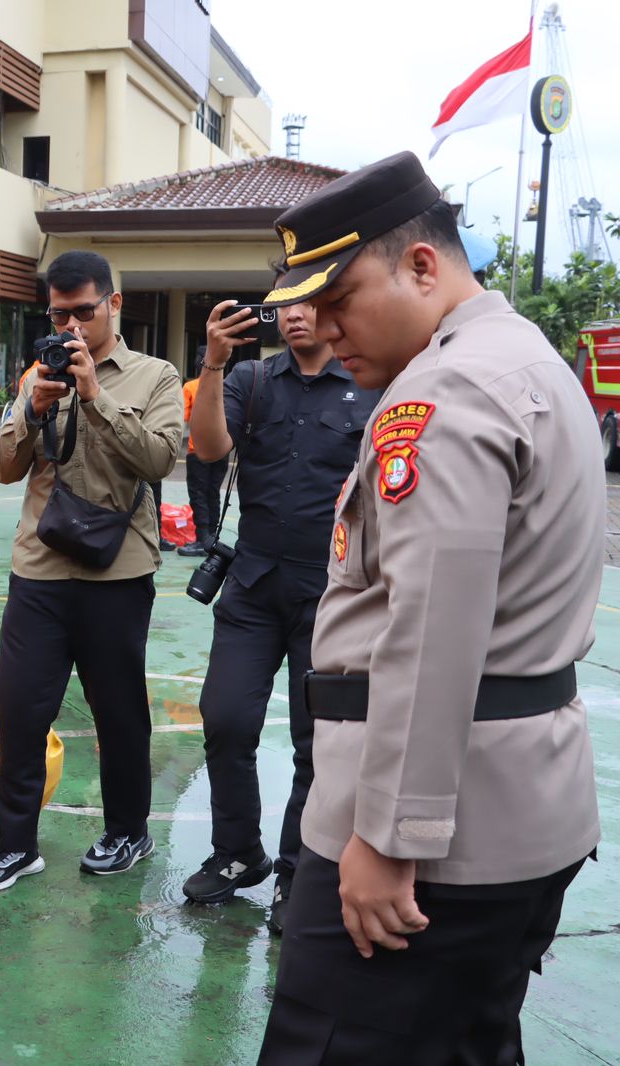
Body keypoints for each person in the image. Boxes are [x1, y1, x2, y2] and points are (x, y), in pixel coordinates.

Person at [254, 152, 603, 1064]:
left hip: (432, 839)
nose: (326, 334)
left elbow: (432, 625)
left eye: (343, 300)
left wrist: (388, 835)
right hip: (516, 803)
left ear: (421, 266)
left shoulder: (445, 390)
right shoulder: (520, 356)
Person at [0, 250, 180, 893]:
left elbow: (160, 460)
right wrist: (34, 407)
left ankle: (127, 830)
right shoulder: (41, 371)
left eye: (82, 312)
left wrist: (95, 398)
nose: (69, 327)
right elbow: (4, 468)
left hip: (116, 571)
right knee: (18, 705)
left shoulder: (155, 376)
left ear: (113, 305)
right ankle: (17, 844)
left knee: (118, 711)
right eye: (58, 314)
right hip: (39, 565)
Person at [180, 276, 379, 932]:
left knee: (314, 743)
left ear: (331, 310)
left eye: (309, 303)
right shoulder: (251, 381)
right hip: (254, 584)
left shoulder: (368, 385)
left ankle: (297, 873)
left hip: (332, 595)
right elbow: (209, 449)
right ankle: (239, 853)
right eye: (285, 304)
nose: (295, 315)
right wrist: (212, 363)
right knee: (226, 718)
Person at [175, 355, 229, 557]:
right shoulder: (226, 386)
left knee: (198, 494)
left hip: (196, 449)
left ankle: (201, 538)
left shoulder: (190, 387)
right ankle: (213, 537)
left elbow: (185, 416)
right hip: (221, 449)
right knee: (213, 492)